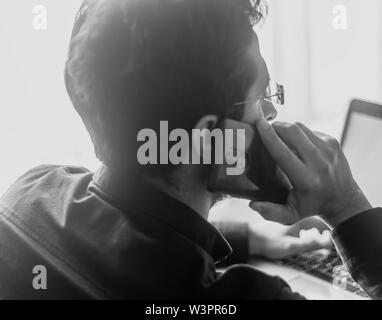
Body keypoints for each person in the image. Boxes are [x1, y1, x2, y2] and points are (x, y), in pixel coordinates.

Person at [0, 0, 377, 299]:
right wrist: (347, 206)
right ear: (207, 140)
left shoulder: (26, 195)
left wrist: (246, 240)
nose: (272, 112)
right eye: (262, 96)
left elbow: (125, 232)